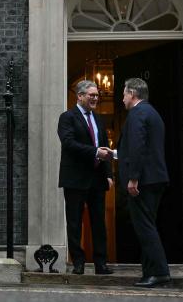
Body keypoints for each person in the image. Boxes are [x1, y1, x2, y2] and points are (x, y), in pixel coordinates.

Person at [112, 78, 170, 287]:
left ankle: (160, 272)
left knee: (144, 228)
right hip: (155, 178)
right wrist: (115, 154)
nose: (122, 98)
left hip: (143, 181)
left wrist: (133, 178)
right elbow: (140, 147)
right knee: (148, 226)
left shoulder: (137, 113)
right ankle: (149, 273)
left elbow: (138, 147)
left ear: (133, 94)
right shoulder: (152, 113)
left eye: (124, 93)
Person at [57, 80, 114, 275]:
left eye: (97, 95)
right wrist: (95, 153)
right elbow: (69, 143)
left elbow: (104, 146)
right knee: (74, 222)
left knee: (99, 222)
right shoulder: (67, 117)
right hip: (75, 178)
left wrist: (108, 174)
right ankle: (78, 263)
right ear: (79, 96)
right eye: (91, 95)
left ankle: (101, 263)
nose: (96, 98)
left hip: (97, 178)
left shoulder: (98, 119)